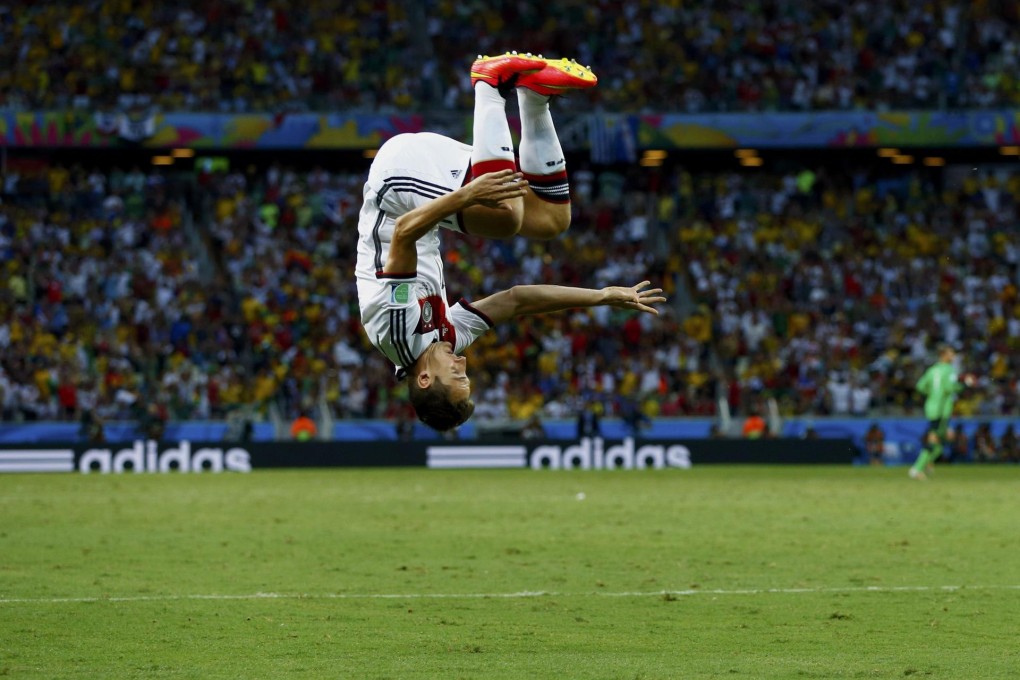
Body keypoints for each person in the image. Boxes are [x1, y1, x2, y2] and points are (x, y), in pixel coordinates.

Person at [356, 53, 664, 431]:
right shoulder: (448, 338)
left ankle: (488, 84)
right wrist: (599, 296)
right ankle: (535, 96)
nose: (463, 365)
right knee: (552, 219)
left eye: (457, 377)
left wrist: (468, 196)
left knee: (506, 217)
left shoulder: (397, 331)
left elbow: (403, 231)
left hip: (395, 182)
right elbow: (516, 300)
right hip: (422, 187)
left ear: (424, 379)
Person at [909, 345, 973, 480]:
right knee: (934, 440)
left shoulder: (932, 370)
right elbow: (950, 387)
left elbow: (920, 386)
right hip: (941, 409)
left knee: (941, 444)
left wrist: (932, 394)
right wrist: (966, 385)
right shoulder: (949, 370)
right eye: (951, 354)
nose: (953, 357)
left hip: (931, 407)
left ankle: (928, 462)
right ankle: (917, 468)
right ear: (943, 355)